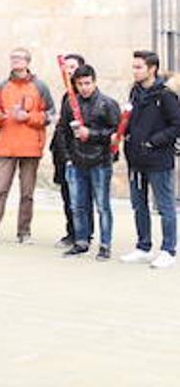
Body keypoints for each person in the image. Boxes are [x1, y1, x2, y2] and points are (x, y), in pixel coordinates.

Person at [0, 48, 55, 244]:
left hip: (30, 147)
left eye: (19, 58)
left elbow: (50, 115)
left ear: (28, 62)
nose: (15, 61)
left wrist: (29, 117)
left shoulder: (40, 86)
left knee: (27, 193)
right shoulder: (2, 86)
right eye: (13, 58)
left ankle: (24, 232)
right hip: (6, 146)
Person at [53, 64, 121, 260]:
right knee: (78, 205)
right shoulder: (69, 104)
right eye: (80, 84)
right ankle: (81, 242)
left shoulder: (107, 104)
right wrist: (67, 158)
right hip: (76, 161)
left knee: (102, 206)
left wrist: (90, 134)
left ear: (94, 81)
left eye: (87, 83)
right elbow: (63, 132)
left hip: (100, 161)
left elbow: (115, 133)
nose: (84, 87)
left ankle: (105, 245)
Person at [121, 50, 180, 268]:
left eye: (139, 67)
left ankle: (168, 250)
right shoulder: (134, 92)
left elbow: (177, 125)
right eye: (133, 66)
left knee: (165, 205)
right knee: (139, 205)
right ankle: (143, 247)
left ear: (151, 69)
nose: (134, 71)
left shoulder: (166, 95)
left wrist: (154, 141)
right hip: (136, 159)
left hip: (158, 159)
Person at [49, 53, 87, 249]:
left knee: (80, 198)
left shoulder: (85, 95)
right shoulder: (67, 94)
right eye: (67, 67)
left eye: (73, 67)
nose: (69, 71)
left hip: (79, 154)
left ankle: (83, 234)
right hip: (63, 153)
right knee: (67, 196)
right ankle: (72, 232)